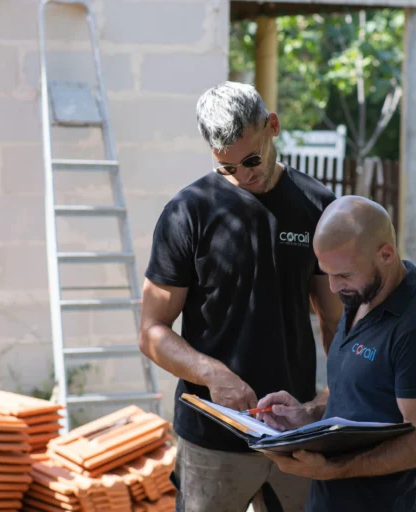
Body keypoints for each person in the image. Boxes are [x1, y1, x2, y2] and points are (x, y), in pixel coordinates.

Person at [138, 81, 344, 512]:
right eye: (226, 167)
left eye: (250, 160)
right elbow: (152, 331)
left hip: (293, 433)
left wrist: (333, 397)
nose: (242, 175)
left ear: (273, 127)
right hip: (211, 440)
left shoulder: (317, 206)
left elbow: (336, 319)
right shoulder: (187, 212)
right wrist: (212, 374)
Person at [257, 195, 416, 511]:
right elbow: (348, 387)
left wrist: (334, 469)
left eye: (344, 275)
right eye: (326, 273)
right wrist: (307, 414)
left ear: (386, 254)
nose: (334, 288)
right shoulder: (360, 297)